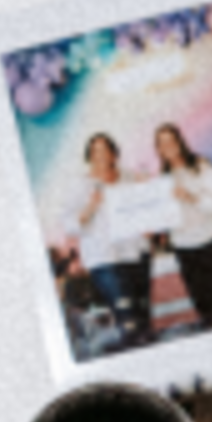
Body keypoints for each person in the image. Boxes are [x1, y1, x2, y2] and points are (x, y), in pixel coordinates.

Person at [153, 122, 212, 329]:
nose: (167, 146)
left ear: (180, 142)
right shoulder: (160, 181)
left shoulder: (202, 166)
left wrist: (191, 197)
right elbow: (164, 219)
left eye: (171, 140)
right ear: (158, 150)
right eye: (162, 143)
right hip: (185, 251)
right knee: (206, 312)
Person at [71, 133, 152, 351]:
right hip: (105, 258)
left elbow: (147, 208)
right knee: (128, 319)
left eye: (106, 149)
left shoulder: (129, 177)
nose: (102, 155)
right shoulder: (81, 185)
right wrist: (91, 206)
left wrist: (149, 192)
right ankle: (134, 356)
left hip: (136, 252)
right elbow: (70, 223)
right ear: (89, 156)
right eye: (96, 151)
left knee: (143, 316)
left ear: (114, 154)